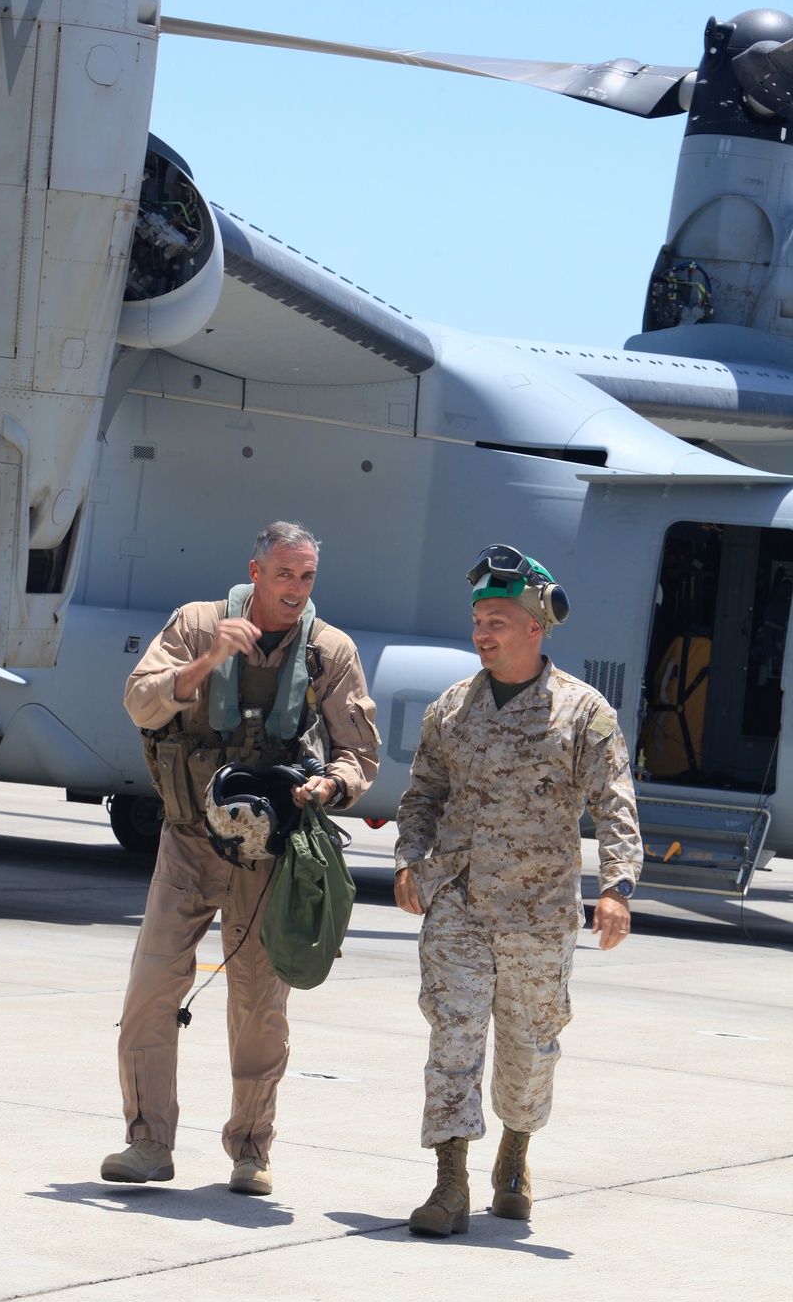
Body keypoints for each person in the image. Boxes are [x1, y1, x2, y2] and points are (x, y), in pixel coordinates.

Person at [102, 522, 379, 1196]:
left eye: (307, 577)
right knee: (151, 989)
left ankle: (251, 1149)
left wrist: (328, 785)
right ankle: (148, 1143)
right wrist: (205, 664)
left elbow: (359, 755)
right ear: (255, 572)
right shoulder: (197, 625)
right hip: (188, 839)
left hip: (266, 853)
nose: (296, 589)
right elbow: (139, 702)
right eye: (284, 575)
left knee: (259, 1004)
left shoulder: (328, 651)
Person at [394, 544, 642, 1237]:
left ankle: (515, 1152)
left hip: (539, 915)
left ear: (536, 626)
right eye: (478, 619)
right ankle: (449, 1184)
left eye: (498, 619)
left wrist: (617, 887)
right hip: (460, 906)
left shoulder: (581, 713)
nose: (483, 631)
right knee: (453, 1039)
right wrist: (410, 861)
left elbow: (614, 803)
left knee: (531, 1052)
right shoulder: (451, 709)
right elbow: (422, 795)